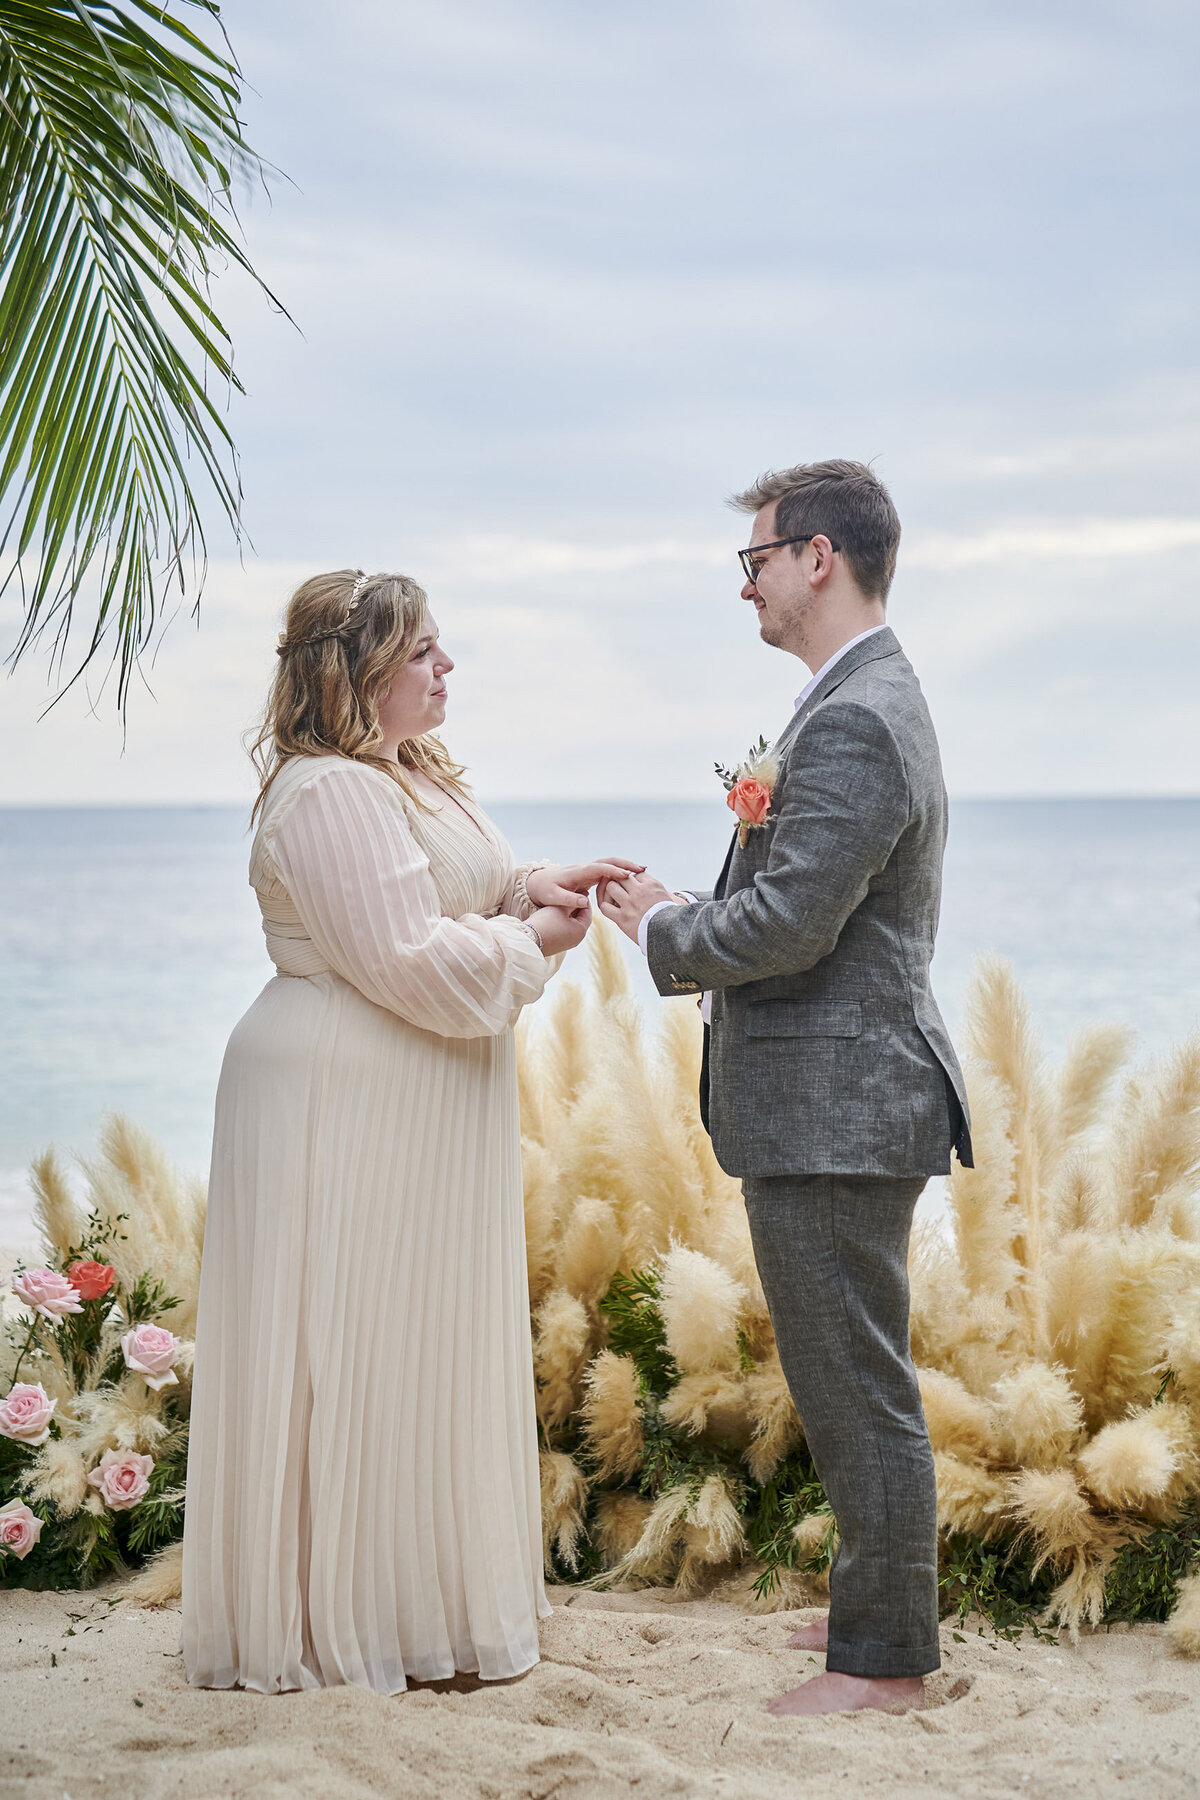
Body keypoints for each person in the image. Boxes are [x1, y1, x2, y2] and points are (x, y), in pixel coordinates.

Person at [182, 569, 639, 1694]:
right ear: (361, 672)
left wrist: (537, 880)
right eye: (425, 651)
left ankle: (414, 1603)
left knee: (412, 1340)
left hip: (414, 1101)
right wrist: (533, 943)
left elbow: (452, 890)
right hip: (343, 1100)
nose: (447, 668)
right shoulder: (327, 792)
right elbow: (407, 961)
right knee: (356, 1342)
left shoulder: (406, 773)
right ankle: (347, 1621)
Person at [599, 460, 972, 1717]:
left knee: (857, 1385)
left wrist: (664, 926)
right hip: (840, 1103)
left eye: (754, 561)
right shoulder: (852, 698)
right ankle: (881, 1611)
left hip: (842, 1108)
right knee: (847, 1374)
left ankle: (889, 1668)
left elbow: (795, 924)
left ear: (820, 557)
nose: (746, 586)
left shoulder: (859, 715)